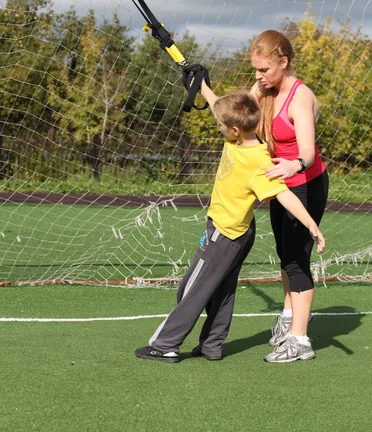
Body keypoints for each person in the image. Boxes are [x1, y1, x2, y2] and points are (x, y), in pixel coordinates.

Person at [134, 84, 325, 364]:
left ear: (234, 129)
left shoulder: (258, 162)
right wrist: (203, 88)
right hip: (240, 234)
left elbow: (284, 194)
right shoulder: (240, 139)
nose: (219, 126)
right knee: (222, 289)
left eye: (222, 125)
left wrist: (311, 224)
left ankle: (166, 345)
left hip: (224, 234)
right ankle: (212, 345)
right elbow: (221, 109)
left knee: (191, 289)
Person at [249, 29, 329, 363]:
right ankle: (287, 317)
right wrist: (203, 87)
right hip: (282, 183)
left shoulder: (300, 97)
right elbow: (233, 114)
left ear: (284, 62)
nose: (258, 76)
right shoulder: (262, 89)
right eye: (255, 69)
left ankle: (300, 340)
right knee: (284, 252)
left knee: (297, 259)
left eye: (265, 69)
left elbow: (308, 152)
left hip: (306, 183)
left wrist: (291, 164)